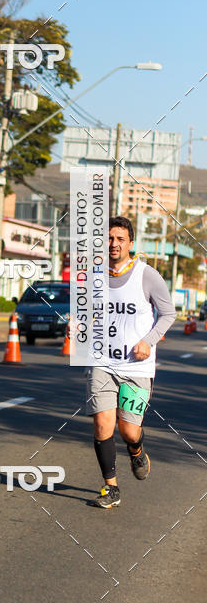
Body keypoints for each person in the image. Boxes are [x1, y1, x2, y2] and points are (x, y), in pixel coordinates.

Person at [88, 216, 176, 508]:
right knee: (103, 424)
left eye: (120, 239)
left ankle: (136, 450)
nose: (114, 244)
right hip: (103, 362)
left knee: (128, 430)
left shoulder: (147, 275)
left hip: (137, 367)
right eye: (109, 238)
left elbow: (168, 315)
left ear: (130, 242)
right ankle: (110, 487)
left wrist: (147, 342)